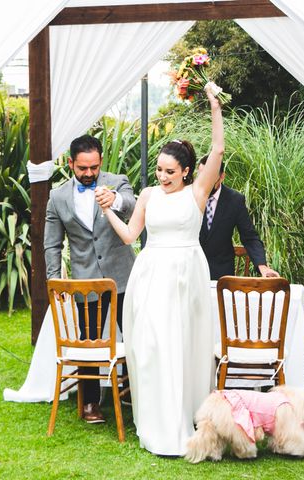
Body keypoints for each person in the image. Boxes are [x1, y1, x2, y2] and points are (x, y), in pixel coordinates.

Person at [95, 83, 224, 456]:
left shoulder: (197, 192)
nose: (163, 176)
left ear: (186, 171)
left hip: (186, 275)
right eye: (159, 170)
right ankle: (156, 420)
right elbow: (130, 236)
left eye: (170, 171)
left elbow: (217, 149)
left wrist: (213, 102)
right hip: (151, 276)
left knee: (184, 345)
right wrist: (107, 211)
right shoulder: (149, 195)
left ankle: (187, 417)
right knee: (152, 346)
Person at [43, 134, 136, 424]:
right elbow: (52, 244)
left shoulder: (117, 181)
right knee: (90, 341)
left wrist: (116, 200)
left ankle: (134, 392)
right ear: (71, 163)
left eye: (94, 167)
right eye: (83, 168)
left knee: (133, 336)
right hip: (86, 283)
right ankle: (91, 403)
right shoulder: (57, 197)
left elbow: (133, 205)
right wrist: (54, 281)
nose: (89, 174)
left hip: (123, 277)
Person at [198, 157, 279, 280]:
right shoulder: (188, 196)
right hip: (191, 271)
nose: (204, 180)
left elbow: (250, 237)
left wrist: (263, 267)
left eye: (209, 176)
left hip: (222, 275)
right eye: (201, 175)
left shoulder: (235, 200)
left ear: (222, 177)